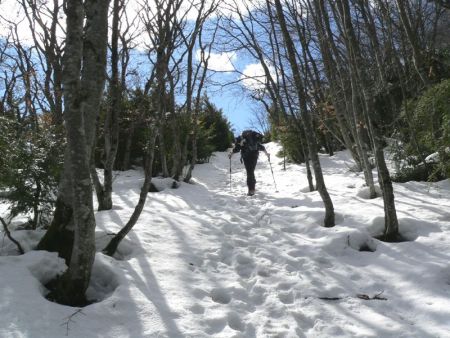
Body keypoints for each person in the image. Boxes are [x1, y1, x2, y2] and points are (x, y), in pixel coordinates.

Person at [229, 130, 270, 196]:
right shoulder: (254, 139)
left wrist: (231, 154)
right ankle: (252, 186)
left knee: (249, 172)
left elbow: (237, 148)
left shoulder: (243, 140)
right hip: (255, 156)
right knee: (251, 171)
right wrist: (267, 154)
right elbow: (261, 147)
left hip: (246, 157)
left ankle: (251, 190)